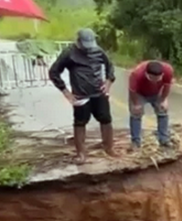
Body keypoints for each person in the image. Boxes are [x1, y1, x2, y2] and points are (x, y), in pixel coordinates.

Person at [48, 28, 117, 162]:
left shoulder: (98, 51)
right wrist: (66, 93)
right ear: (78, 41)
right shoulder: (69, 53)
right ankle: (81, 153)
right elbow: (54, 72)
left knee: (106, 120)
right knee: (80, 123)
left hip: (99, 93)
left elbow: (110, 67)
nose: (87, 49)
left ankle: (109, 148)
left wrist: (108, 82)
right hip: (80, 95)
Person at [128, 60, 174, 149]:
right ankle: (135, 142)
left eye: (158, 79)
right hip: (139, 94)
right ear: (146, 74)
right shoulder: (136, 74)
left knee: (163, 111)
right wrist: (136, 103)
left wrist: (163, 100)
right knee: (136, 114)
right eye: (152, 79)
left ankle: (163, 139)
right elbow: (132, 91)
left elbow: (167, 86)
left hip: (157, 93)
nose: (154, 81)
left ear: (162, 75)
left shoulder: (168, 70)